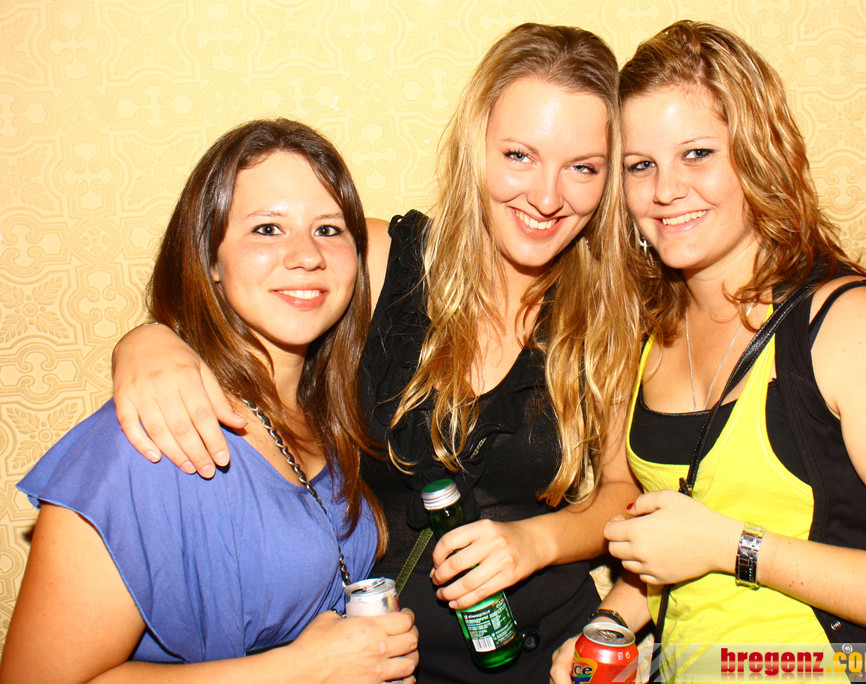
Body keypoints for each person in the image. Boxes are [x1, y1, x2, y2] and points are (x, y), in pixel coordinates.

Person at [105, 24, 641, 683]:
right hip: (380, 661)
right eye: (519, 155)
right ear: (476, 149)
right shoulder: (383, 259)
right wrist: (147, 341)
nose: (548, 196)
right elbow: (248, 281)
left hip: (551, 653)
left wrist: (537, 541)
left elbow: (621, 490)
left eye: (583, 167)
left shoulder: (611, 311)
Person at [549, 19, 866, 682]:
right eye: (640, 165)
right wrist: (611, 627)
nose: (665, 190)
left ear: (759, 155)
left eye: (697, 154)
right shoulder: (648, 335)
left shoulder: (859, 331)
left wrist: (733, 548)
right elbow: (668, 537)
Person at [0, 119, 419, 683]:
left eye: (328, 229)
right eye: (267, 228)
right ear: (211, 260)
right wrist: (301, 670)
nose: (307, 255)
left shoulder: (328, 413)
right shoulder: (147, 441)